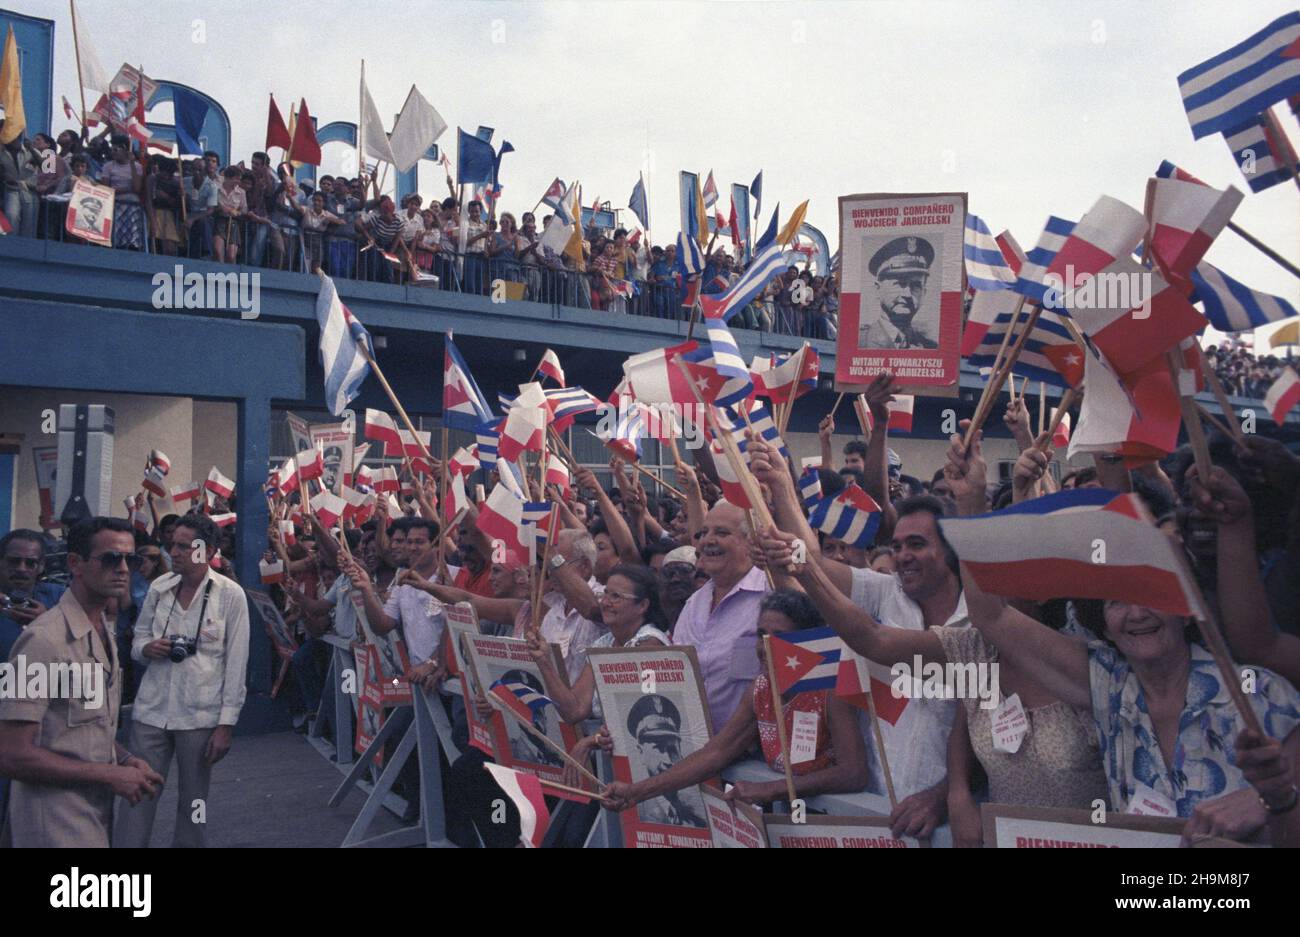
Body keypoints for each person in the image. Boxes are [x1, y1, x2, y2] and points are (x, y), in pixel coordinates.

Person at [748, 435, 961, 838]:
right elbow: (815, 564)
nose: (902, 556)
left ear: (952, 551)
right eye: (896, 546)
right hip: (877, 811)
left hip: (949, 823)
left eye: (917, 544)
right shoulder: (888, 591)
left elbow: (873, 639)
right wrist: (781, 487)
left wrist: (943, 795)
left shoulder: (977, 621)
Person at [601, 589, 870, 812]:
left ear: (807, 641)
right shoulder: (760, 689)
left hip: (834, 821)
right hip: (785, 817)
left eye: (780, 636)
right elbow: (715, 753)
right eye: (761, 634)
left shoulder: (830, 689)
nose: (765, 646)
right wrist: (636, 791)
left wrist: (770, 790)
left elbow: (853, 773)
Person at [0, 518, 164, 848]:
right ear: (75, 563)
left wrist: (125, 759)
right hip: (53, 822)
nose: (122, 569)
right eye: (109, 558)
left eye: (130, 560)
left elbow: (88, 726)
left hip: (93, 813)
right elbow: (11, 754)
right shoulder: (43, 641)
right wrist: (111, 775)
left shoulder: (101, 629)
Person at [116, 513, 251, 848]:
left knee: (195, 801)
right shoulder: (159, 589)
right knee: (137, 793)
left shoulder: (230, 595)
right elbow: (136, 643)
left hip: (200, 715)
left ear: (205, 551)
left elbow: (237, 663)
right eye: (171, 544)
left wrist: (226, 725)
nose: (172, 552)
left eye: (182, 546)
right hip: (152, 710)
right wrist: (147, 648)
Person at [671, 501, 769, 732]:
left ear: (751, 541)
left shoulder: (772, 596)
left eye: (722, 533)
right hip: (692, 748)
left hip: (754, 755)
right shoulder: (693, 604)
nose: (707, 541)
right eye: (704, 532)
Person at [857, 236, 938, 349]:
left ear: (924, 293)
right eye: (899, 284)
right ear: (877, 289)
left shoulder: (931, 347)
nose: (907, 294)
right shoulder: (860, 341)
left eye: (916, 285)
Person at [0, 529, 65, 662]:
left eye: (30, 563)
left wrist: (47, 621)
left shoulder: (59, 596)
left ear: (41, 566)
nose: (21, 568)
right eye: (14, 561)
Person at [98, 135, 144, 251]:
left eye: (116, 150)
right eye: (111, 149)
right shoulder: (108, 166)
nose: (113, 152)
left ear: (124, 149)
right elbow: (105, 188)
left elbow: (137, 188)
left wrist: (132, 163)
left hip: (131, 203)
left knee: (131, 233)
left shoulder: (137, 167)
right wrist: (127, 189)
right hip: (114, 201)